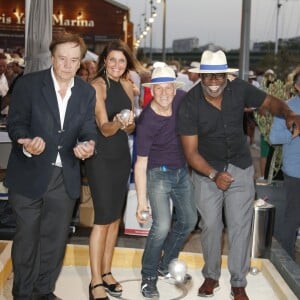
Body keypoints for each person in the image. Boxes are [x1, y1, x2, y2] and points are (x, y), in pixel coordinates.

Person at [177, 50, 300, 300]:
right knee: (211, 225)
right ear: (201, 76)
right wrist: (213, 175)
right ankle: (211, 275)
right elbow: (190, 153)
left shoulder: (239, 89)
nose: (213, 82)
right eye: (208, 77)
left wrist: (288, 113)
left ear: (226, 75)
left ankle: (238, 282)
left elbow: (269, 102)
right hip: (206, 171)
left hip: (241, 168)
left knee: (239, 226)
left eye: (218, 76)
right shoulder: (189, 104)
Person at [4, 32, 97, 300]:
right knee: (27, 240)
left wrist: (88, 144)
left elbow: (88, 128)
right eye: (62, 58)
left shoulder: (86, 92)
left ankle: (43, 291)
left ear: (80, 62)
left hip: (63, 175)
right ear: (52, 57)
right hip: (28, 173)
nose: (68, 65)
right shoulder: (29, 84)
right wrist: (25, 141)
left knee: (55, 241)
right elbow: (16, 123)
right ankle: (23, 294)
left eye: (74, 60)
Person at [134, 65, 197, 299]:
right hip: (158, 174)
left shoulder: (182, 99)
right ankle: (148, 277)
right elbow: (140, 164)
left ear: (174, 88)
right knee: (161, 226)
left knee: (190, 220)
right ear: (152, 90)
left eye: (167, 88)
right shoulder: (146, 122)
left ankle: (165, 264)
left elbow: (204, 99)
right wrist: (142, 203)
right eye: (158, 88)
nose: (164, 93)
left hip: (181, 172)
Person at [84, 40, 136, 300]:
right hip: (101, 158)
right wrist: (118, 123)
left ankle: (106, 272)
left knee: (115, 219)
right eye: (112, 60)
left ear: (127, 64)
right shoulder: (97, 86)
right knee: (102, 220)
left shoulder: (128, 85)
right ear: (105, 61)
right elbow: (104, 127)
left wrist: (127, 125)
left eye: (122, 61)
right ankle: (95, 282)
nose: (117, 65)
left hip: (121, 158)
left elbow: (131, 127)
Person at [269, 67, 300, 260]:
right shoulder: (286, 108)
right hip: (296, 173)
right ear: (297, 86)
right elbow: (273, 137)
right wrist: (294, 131)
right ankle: (285, 264)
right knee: (292, 219)